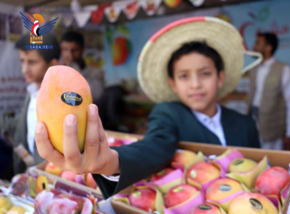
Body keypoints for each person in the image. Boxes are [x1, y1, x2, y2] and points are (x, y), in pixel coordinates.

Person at [35, 17, 261, 199]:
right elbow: (153, 147)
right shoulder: (169, 114)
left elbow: (258, 170)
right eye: (184, 76)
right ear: (173, 83)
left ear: (220, 78)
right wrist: (111, 162)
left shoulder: (245, 124)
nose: (195, 84)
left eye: (205, 73)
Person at [0, 33, 60, 174]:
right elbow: (21, 124)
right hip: (30, 173)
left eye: (32, 62)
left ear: (52, 64)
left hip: (51, 176)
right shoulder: (32, 92)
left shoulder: (61, 97)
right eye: (22, 61)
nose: (24, 69)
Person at [246, 32, 290, 150]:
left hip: (273, 128)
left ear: (268, 48)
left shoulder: (284, 70)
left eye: (258, 43)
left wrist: (289, 133)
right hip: (253, 121)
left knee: (271, 162)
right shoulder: (253, 68)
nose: (254, 47)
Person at [60, 31, 104, 102]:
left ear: (82, 50)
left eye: (73, 50)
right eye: (65, 49)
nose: (69, 55)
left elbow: (96, 95)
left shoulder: (95, 72)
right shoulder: (56, 70)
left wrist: (73, 68)